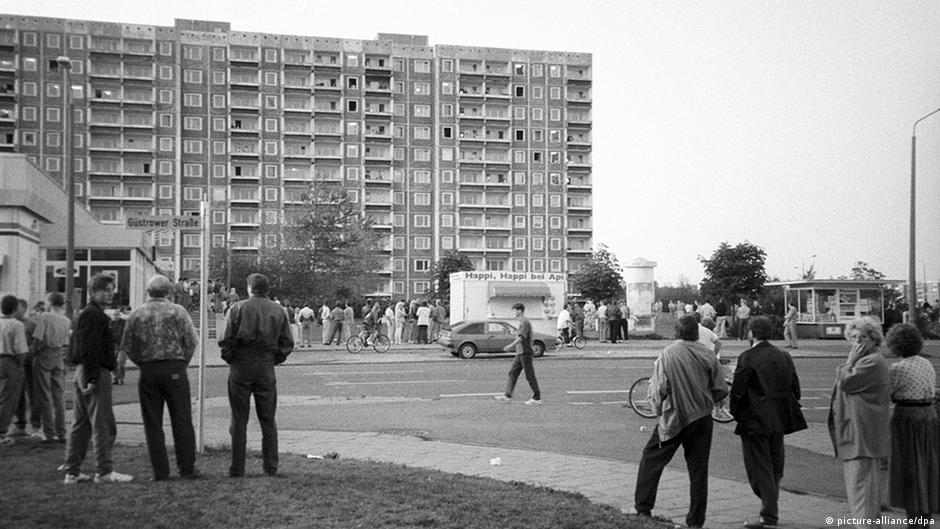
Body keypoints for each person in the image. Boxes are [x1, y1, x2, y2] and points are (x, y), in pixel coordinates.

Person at [633, 315, 728, 529]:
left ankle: (643, 507)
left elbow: (659, 389)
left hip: (674, 417)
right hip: (701, 418)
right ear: (696, 333)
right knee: (698, 471)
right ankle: (695, 521)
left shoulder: (668, 354)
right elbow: (721, 388)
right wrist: (706, 400)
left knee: (651, 458)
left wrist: (658, 410)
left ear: (676, 333)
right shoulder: (707, 354)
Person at [731, 316, 808, 529]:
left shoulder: (747, 357)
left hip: (754, 418)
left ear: (751, 333)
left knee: (758, 468)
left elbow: (738, 392)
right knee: (775, 464)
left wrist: (737, 414)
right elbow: (796, 389)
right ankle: (770, 506)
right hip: (781, 417)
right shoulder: (784, 356)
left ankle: (769, 514)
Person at [121, 275, 200, 481]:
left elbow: (127, 346)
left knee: (153, 422)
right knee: (182, 419)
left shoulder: (137, 314)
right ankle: (187, 468)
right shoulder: (178, 312)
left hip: (149, 369)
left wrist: (142, 362)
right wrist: (182, 363)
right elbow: (191, 341)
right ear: (169, 291)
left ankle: (160, 471)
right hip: (175, 367)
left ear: (148, 292)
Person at [218, 273, 293, 477]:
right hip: (265, 365)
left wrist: (233, 359)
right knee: (268, 419)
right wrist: (272, 359)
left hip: (241, 364)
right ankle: (270, 466)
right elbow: (287, 343)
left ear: (250, 288)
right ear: (267, 289)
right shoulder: (278, 310)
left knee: (238, 419)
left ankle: (237, 467)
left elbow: (225, 340)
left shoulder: (237, 308)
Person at [63, 273, 134, 484]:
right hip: (95, 371)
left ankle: (72, 471)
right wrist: (92, 377)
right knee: (103, 423)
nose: (110, 294)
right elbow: (89, 347)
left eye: (112, 290)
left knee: (81, 423)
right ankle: (104, 470)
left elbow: (81, 346)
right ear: (93, 292)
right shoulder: (95, 316)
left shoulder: (87, 314)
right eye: (105, 290)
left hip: (84, 370)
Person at [828, 317, 890, 529]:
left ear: (874, 339)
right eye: (854, 337)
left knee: (861, 490)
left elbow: (847, 382)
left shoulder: (871, 362)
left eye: (863, 337)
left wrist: (849, 360)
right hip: (858, 432)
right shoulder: (866, 361)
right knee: (861, 489)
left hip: (862, 434)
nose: (857, 342)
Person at [884, 324, 939, 526]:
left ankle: (915, 518)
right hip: (929, 417)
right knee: (927, 466)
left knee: (909, 468)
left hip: (907, 419)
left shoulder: (897, 369)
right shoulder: (926, 363)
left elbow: (887, 394)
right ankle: (925, 516)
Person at [30, 292, 71, 444]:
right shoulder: (66, 320)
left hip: (44, 355)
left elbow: (37, 340)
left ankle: (49, 432)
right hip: (59, 355)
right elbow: (67, 342)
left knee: (44, 395)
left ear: (50, 303)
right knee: (59, 396)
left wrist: (31, 354)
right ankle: (61, 432)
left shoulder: (45, 318)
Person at [494, 303, 541, 405]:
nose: (514, 313)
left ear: (519, 311)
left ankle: (537, 397)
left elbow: (521, 338)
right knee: (512, 373)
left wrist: (510, 346)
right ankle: (507, 395)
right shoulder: (522, 322)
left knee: (529, 375)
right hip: (520, 353)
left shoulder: (524, 322)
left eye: (515, 310)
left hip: (525, 352)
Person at [0, 294, 28, 446]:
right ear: (15, 308)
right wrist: (21, 364)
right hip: (9, 361)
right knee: (8, 398)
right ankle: (1, 431)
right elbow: (20, 349)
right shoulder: (16, 325)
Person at [110, 306, 130, 385]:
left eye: (116, 315)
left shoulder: (124, 323)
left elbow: (127, 333)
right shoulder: (110, 323)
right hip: (113, 346)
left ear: (119, 315)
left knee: (120, 362)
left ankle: (121, 378)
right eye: (114, 315)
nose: (115, 316)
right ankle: (116, 377)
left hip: (122, 345)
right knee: (113, 362)